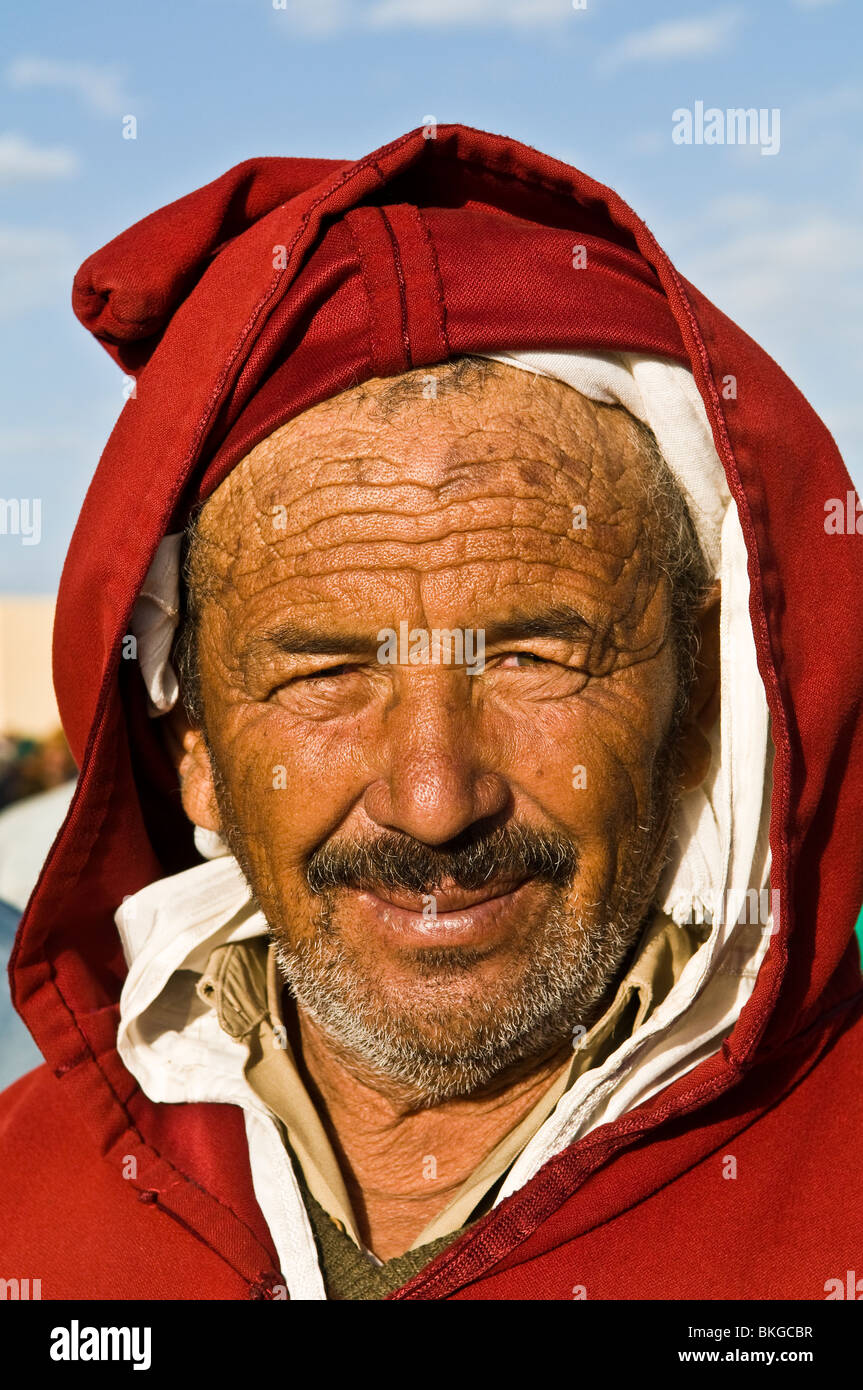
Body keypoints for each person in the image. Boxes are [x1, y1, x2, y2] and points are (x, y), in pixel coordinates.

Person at [1, 124, 860, 1301]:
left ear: (700, 696)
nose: (432, 798)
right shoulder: (21, 1205)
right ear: (191, 745)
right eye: (324, 674)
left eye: (529, 656)